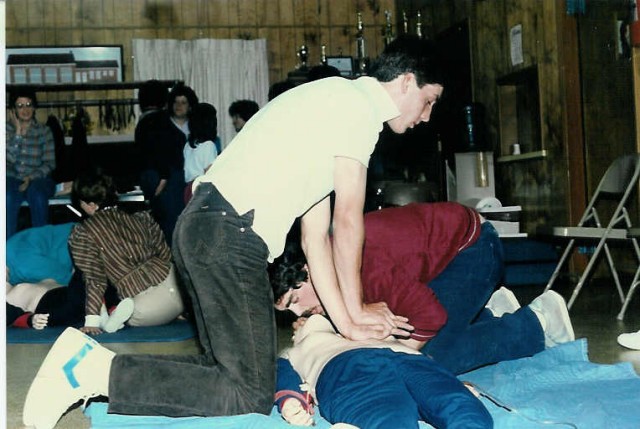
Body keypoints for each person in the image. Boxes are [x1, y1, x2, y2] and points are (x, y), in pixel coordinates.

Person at [24, 35, 444, 428]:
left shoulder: (329, 104)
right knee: (249, 391)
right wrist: (354, 319)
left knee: (226, 373)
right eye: (429, 101)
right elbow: (349, 220)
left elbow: (317, 238)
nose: (426, 117)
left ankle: (88, 366)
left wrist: (347, 317)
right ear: (407, 82)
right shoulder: (358, 109)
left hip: (205, 228)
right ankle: (93, 371)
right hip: (229, 234)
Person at [271, 202, 575, 375]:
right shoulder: (331, 267)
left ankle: (536, 322)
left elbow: (428, 315)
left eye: (295, 299)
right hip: (436, 263)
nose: (299, 311)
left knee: (435, 357)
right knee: (393, 328)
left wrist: (403, 358)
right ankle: (487, 315)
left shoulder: (362, 268)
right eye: (289, 310)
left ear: (309, 271)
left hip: (476, 248)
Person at [274, 314, 492, 428]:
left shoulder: (356, 328)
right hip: (348, 368)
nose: (299, 322)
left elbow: (434, 375)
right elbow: (280, 374)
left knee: (461, 406)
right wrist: (290, 400)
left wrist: (452, 383)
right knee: (386, 417)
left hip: (410, 360)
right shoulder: (293, 351)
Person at [67, 172, 185, 336]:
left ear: (91, 204)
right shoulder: (142, 217)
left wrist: (91, 322)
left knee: (133, 316)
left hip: (146, 306)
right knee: (165, 297)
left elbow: (95, 278)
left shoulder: (84, 232)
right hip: (178, 289)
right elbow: (165, 253)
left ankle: (111, 319)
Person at [138, 83, 198, 245]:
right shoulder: (159, 124)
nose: (179, 106)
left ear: (190, 106)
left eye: (183, 102)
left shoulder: (196, 127)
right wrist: (162, 179)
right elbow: (153, 155)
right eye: (176, 102)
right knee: (171, 227)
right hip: (169, 183)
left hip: (192, 184)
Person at [6, 272, 131, 333]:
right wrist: (30, 319)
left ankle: (109, 314)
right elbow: (9, 314)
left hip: (74, 298)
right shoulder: (8, 296)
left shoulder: (23, 280)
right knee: (86, 267)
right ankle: (105, 315)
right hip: (51, 307)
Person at [6, 87, 57, 239]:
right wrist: (17, 135)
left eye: (28, 104)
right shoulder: (5, 130)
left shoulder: (44, 131)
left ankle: (40, 245)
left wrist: (31, 177)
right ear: (13, 109)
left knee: (38, 195)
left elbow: (49, 163)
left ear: (34, 107)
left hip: (38, 180)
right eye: (20, 106)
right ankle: (7, 251)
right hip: (11, 179)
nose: (25, 110)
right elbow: (7, 161)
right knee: (7, 197)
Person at [183, 103, 219, 203]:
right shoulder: (209, 145)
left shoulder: (188, 145)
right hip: (201, 190)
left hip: (188, 189)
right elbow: (210, 172)